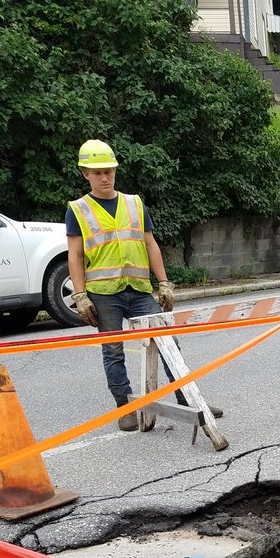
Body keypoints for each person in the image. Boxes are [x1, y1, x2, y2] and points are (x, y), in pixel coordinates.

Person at [67, 139, 184, 432]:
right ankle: (126, 408)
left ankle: (188, 398)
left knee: (168, 342)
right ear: (85, 174)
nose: (105, 178)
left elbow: (150, 244)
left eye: (109, 171)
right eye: (97, 173)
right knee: (114, 351)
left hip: (139, 288)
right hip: (104, 293)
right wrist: (80, 295)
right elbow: (76, 255)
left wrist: (164, 282)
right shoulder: (78, 210)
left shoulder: (134, 203)